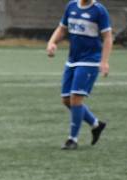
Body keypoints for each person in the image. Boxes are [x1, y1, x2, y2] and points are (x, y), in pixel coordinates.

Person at [46, 0, 112, 150]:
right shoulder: (71, 6)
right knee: (66, 100)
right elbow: (62, 28)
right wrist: (52, 42)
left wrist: (104, 61)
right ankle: (96, 124)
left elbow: (107, 37)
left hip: (90, 61)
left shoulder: (99, 11)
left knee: (75, 99)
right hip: (72, 60)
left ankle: (72, 139)